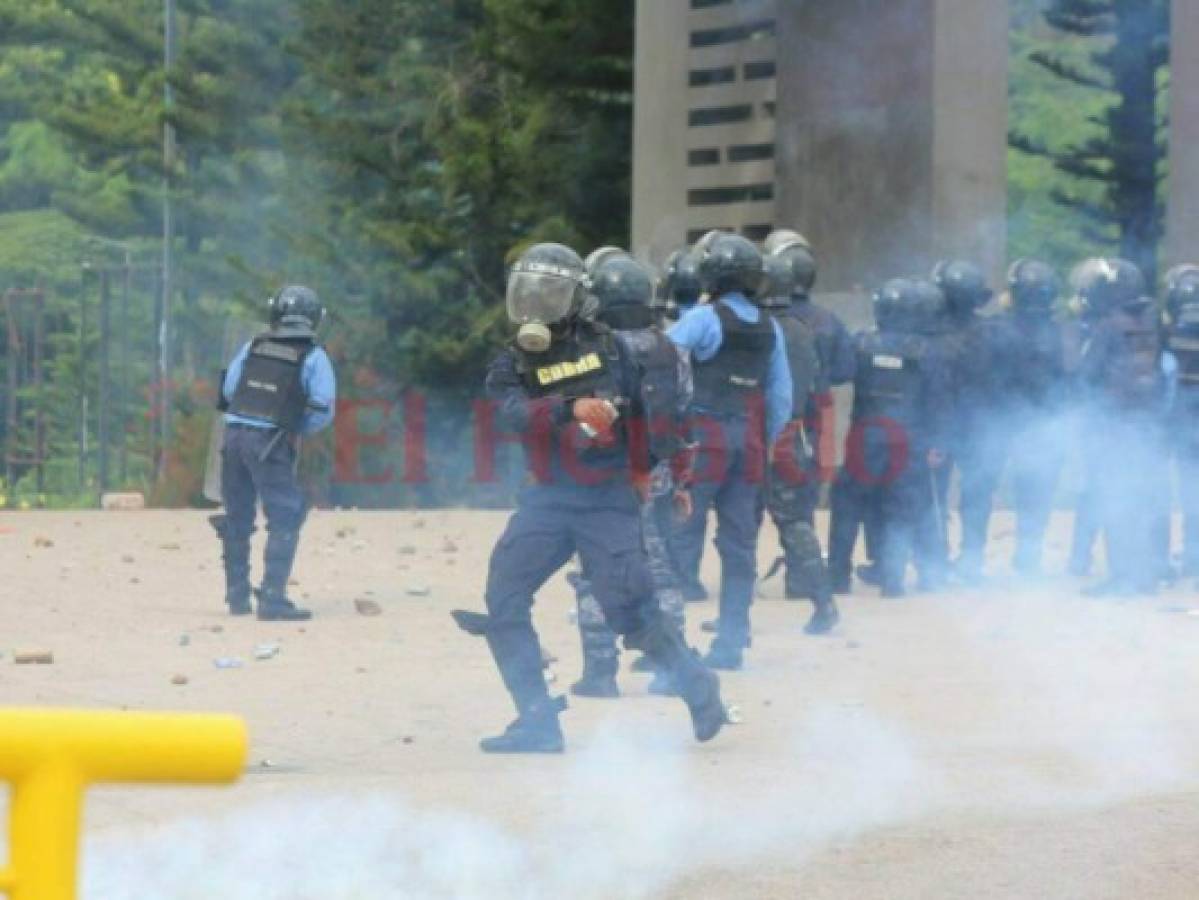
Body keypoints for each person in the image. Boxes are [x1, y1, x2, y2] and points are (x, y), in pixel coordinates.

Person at [453, 242, 725, 753]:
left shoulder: (612, 348)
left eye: (550, 294)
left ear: (577, 298)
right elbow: (511, 413)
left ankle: (698, 686)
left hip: (606, 497)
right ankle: (537, 722)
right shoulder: (513, 361)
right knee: (504, 599)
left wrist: (645, 470)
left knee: (630, 608)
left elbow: (644, 412)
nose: (537, 305)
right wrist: (568, 407)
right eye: (529, 294)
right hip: (549, 499)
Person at [568, 253, 695, 699]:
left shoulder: (585, 351)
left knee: (593, 572)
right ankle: (673, 670)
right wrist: (681, 482)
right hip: (655, 473)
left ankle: (600, 675)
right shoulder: (673, 349)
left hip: (600, 480)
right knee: (660, 569)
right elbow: (682, 419)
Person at [667, 232, 792, 670]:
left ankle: (672, 647)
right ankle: (732, 640)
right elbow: (781, 399)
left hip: (703, 438)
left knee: (678, 532)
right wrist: (762, 438)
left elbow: (665, 366)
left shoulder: (702, 319)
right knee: (740, 544)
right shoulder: (769, 326)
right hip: (750, 440)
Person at [213, 285, 336, 621]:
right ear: (314, 319)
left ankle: (237, 596)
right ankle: (272, 598)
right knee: (286, 514)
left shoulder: (253, 345)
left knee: (238, 515)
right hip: (270, 441)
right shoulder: (313, 354)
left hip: (233, 437)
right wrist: (296, 427)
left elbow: (228, 389)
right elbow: (323, 408)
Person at [827, 278, 951, 597]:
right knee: (902, 508)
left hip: (865, 438)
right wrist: (938, 442)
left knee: (847, 506)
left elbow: (838, 373)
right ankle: (892, 581)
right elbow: (938, 400)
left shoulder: (862, 343)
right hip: (909, 441)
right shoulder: (927, 351)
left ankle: (837, 576)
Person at [757, 247, 840, 635]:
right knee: (795, 523)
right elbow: (817, 392)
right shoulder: (803, 331)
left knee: (737, 530)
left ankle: (733, 620)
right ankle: (822, 602)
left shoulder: (752, 329)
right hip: (792, 439)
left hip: (750, 439)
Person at [1077, 258, 1167, 596]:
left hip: (1112, 424)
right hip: (1146, 423)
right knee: (1140, 500)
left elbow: (1087, 374)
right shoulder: (1150, 321)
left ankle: (1122, 577)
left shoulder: (1107, 325)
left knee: (1113, 498)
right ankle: (1143, 575)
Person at [930, 259, 1007, 584]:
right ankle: (971, 560)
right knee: (977, 497)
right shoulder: (992, 333)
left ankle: (935, 562)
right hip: (983, 426)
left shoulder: (932, 335)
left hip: (941, 426)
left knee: (935, 496)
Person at [763, 230, 855, 487]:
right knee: (800, 500)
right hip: (810, 418)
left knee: (748, 505)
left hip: (762, 416)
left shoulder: (763, 319)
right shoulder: (828, 320)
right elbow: (846, 370)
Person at [1002, 259, 1069, 577]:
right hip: (1046, 424)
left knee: (985, 489)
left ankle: (970, 559)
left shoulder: (999, 329)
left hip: (1006, 420)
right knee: (1038, 494)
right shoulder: (1061, 333)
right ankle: (1029, 556)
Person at [1165, 264, 1199, 579]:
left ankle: (1162, 560)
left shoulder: (1167, 333)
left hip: (1173, 423)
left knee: (1163, 491)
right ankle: (1194, 558)